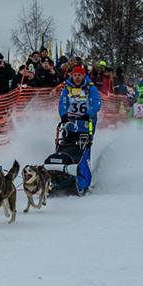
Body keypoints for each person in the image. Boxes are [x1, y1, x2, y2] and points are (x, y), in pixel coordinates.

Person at [58, 65, 101, 193]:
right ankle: (63, 176)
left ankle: (84, 180)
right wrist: (63, 115)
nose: (77, 77)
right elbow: (62, 103)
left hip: (86, 125)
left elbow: (97, 102)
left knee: (84, 150)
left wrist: (90, 113)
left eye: (79, 75)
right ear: (72, 75)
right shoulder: (67, 87)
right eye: (75, 75)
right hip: (70, 124)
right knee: (65, 147)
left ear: (83, 76)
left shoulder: (90, 87)